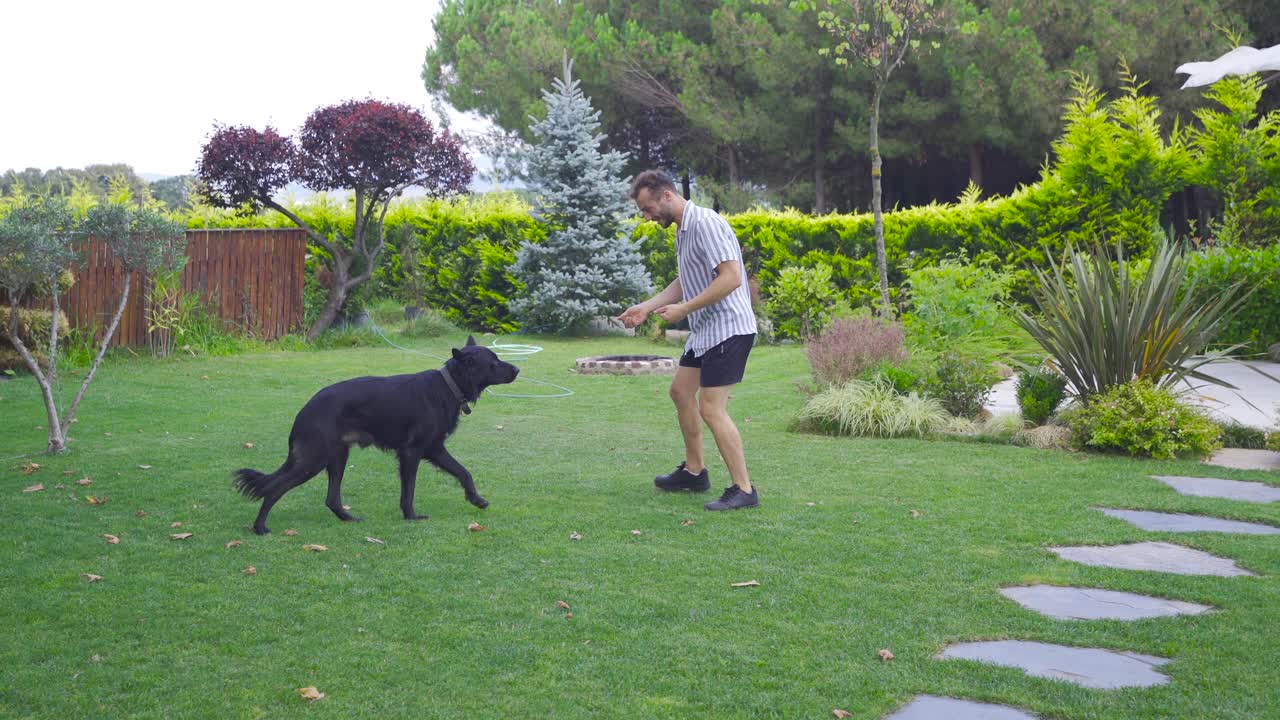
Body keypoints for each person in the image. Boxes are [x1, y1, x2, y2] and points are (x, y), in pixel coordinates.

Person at [618, 170, 759, 511]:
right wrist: (646, 307)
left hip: (729, 327)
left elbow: (731, 278)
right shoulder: (683, 230)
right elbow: (685, 280)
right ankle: (695, 472)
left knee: (711, 408)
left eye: (647, 208)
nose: (646, 216)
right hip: (706, 330)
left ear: (667, 195)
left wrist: (684, 309)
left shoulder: (706, 223)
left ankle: (744, 489)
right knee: (680, 391)